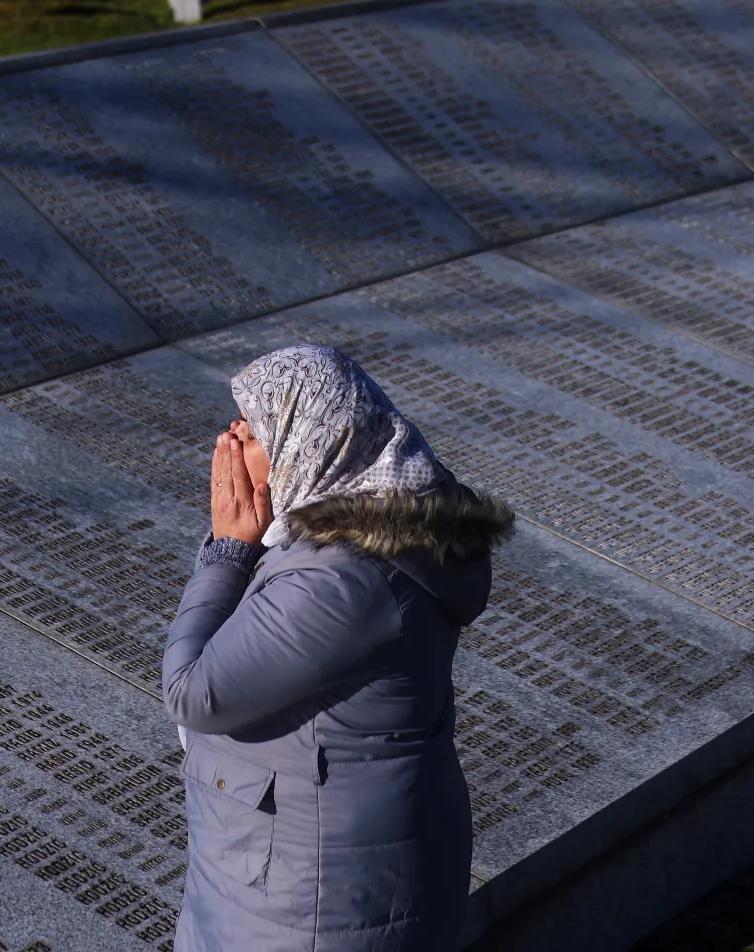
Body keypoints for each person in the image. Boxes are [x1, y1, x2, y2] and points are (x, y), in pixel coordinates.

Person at [163, 344, 516, 952]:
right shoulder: (364, 532)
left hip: (313, 896)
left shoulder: (344, 576)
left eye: (255, 426)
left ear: (310, 440)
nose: (232, 437)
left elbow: (195, 694)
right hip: (304, 866)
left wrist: (227, 548)